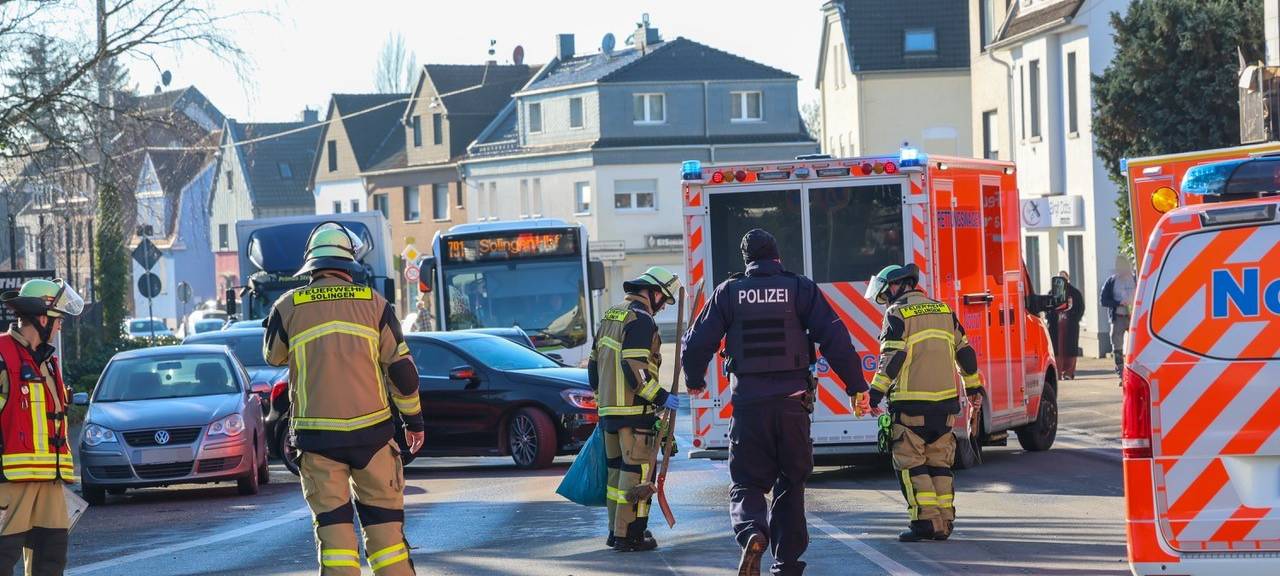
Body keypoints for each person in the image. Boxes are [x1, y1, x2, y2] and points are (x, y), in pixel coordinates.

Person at [682, 229, 867, 576]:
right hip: (792, 405)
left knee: (747, 483)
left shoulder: (729, 292)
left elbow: (695, 345)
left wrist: (694, 381)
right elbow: (834, 337)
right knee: (790, 483)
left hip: (749, 406)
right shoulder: (799, 288)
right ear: (777, 255)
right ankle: (787, 564)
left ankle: (752, 530)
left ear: (746, 259)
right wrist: (856, 386)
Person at [264, 223, 424, 576]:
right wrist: (414, 422)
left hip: (317, 439)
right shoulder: (375, 304)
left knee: (336, 543)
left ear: (311, 265)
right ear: (349, 263)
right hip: (374, 437)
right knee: (388, 540)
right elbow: (403, 374)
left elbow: (273, 356)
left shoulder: (288, 306)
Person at [863, 263, 983, 543]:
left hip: (910, 405)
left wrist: (874, 395)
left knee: (911, 464)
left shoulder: (897, 314)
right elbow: (965, 353)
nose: (885, 298)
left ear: (899, 285)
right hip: (945, 406)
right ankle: (943, 523)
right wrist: (973, 387)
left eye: (887, 290)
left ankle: (923, 522)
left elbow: (892, 359)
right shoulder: (943, 310)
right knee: (939, 464)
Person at [587, 266, 682, 552]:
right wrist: (660, 396)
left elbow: (593, 366)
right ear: (651, 292)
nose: (663, 306)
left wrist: (602, 401)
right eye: (663, 299)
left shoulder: (610, 315)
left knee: (617, 475)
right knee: (638, 476)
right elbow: (634, 366)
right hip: (634, 414)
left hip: (610, 416)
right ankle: (631, 535)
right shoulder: (641, 320)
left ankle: (615, 532)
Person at [0, 279, 83, 576]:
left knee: (51, 559)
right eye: (58, 320)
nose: (60, 327)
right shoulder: (2, 354)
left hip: (49, 482)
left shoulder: (48, 363)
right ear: (43, 318)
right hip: (10, 483)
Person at [1047, 271, 1085, 380]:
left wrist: (1074, 319)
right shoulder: (1052, 293)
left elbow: (1080, 308)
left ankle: (1069, 373)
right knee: (1057, 350)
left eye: (1064, 278)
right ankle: (1057, 373)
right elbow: (1048, 307)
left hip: (1070, 326)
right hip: (1056, 327)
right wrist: (1051, 318)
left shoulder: (1075, 293)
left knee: (1070, 349)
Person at [1100, 258, 1135, 376]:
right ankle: (1121, 373)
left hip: (1134, 317)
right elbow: (1103, 300)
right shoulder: (1111, 281)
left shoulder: (1136, 278)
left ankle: (1135, 371)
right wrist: (1118, 303)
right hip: (1118, 317)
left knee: (1136, 344)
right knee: (1117, 346)